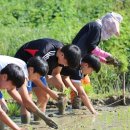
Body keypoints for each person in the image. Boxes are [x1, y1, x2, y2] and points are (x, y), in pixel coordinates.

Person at [14, 38, 81, 115]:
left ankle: (39, 122)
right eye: (66, 63)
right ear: (62, 55)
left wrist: (62, 87)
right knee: (28, 97)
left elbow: (56, 73)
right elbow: (34, 76)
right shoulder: (45, 51)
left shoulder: (64, 53)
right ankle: (25, 124)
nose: (65, 65)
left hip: (36, 69)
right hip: (23, 65)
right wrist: (50, 91)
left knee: (44, 97)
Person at [0, 55, 58, 130]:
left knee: (4, 109)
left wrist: (25, 104)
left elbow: (11, 90)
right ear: (31, 70)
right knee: (3, 109)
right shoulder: (22, 73)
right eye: (38, 76)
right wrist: (44, 117)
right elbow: (26, 100)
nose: (37, 79)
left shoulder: (20, 68)